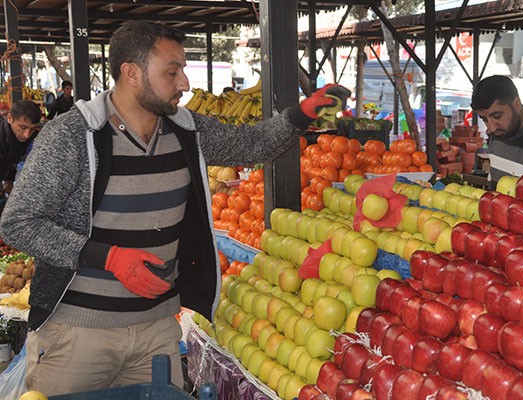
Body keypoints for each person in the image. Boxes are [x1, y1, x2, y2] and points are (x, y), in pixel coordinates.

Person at [0, 21, 349, 396]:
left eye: (182, 69)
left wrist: (302, 114)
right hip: (77, 336)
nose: (184, 83)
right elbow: (18, 222)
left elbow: (252, 144)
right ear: (131, 73)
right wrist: (107, 257)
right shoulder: (70, 136)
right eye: (172, 71)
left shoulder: (186, 131)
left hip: (157, 331)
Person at [0, 100, 42, 196]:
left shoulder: (34, 136)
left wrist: (9, 179)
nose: (27, 135)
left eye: (32, 129)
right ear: (10, 118)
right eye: (22, 127)